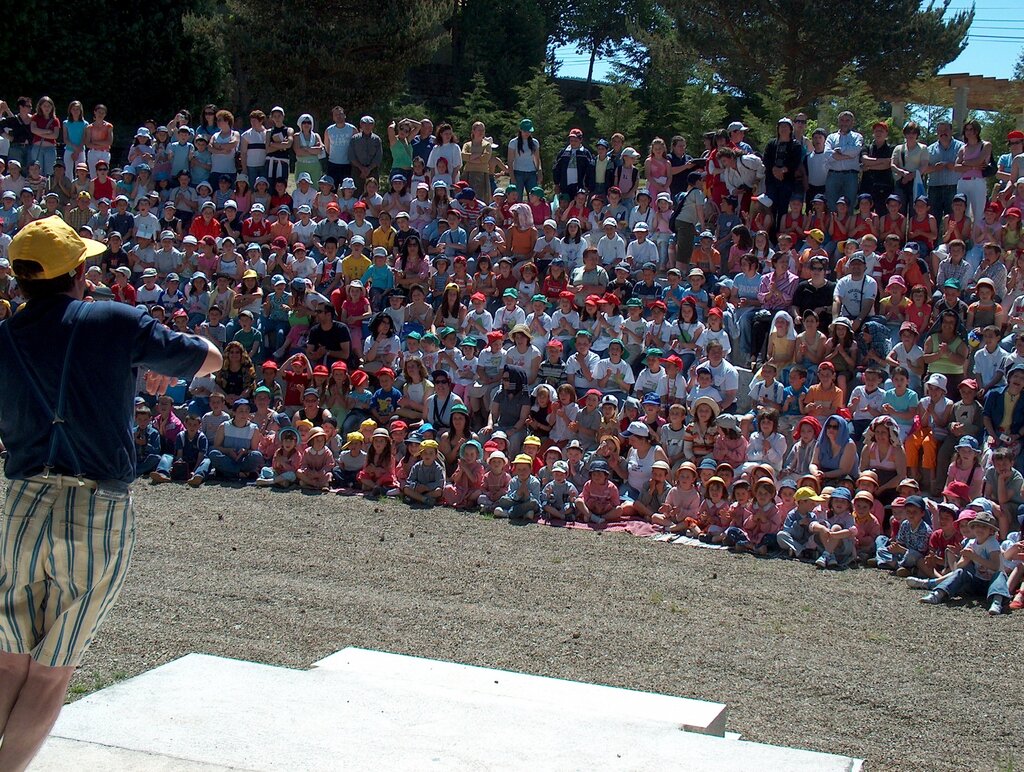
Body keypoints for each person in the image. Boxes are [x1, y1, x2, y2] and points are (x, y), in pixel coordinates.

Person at [0, 218, 221, 770]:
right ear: (80, 272)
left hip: (23, 502)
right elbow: (210, 358)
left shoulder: (3, 339)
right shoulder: (115, 320)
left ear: (20, 280)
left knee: (6, 661)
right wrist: (145, 369)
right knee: (52, 671)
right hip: (97, 508)